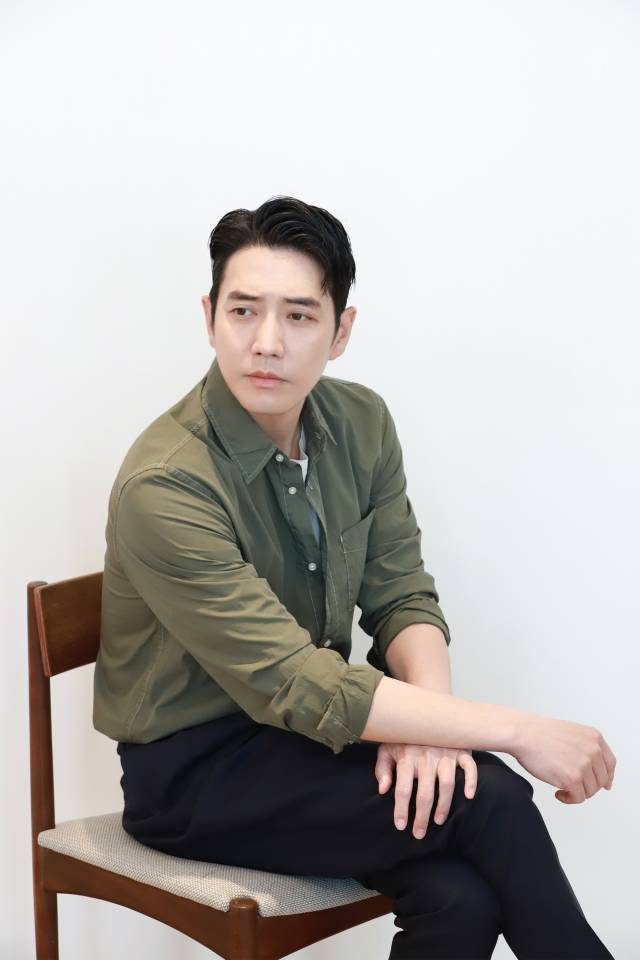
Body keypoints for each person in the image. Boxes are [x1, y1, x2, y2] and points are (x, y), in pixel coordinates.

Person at [93, 195, 616, 958]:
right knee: (492, 797)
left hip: (311, 740)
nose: (266, 342)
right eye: (243, 311)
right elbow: (294, 681)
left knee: (459, 895)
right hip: (194, 775)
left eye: (299, 316)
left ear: (341, 331)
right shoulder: (167, 484)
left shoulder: (361, 424)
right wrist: (517, 731)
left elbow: (402, 593)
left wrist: (431, 730)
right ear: (209, 317)